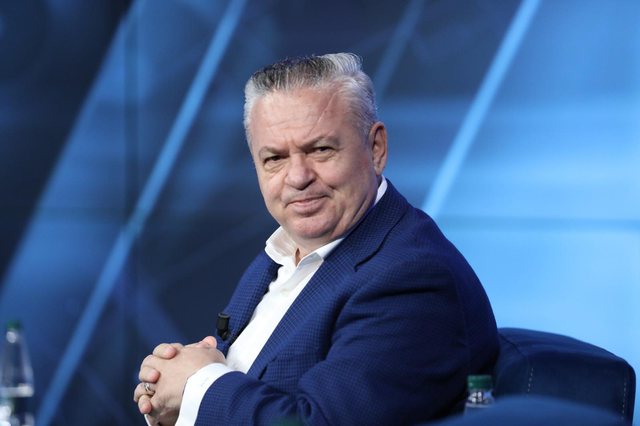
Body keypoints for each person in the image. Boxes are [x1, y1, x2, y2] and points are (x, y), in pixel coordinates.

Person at [134, 53, 499, 425]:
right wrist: (172, 395)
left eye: (320, 149)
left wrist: (198, 386)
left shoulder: (412, 277)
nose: (297, 177)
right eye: (274, 158)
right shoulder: (281, 254)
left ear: (375, 148)